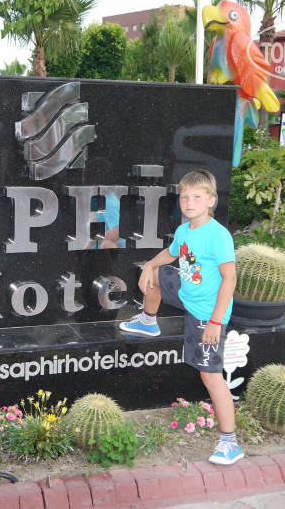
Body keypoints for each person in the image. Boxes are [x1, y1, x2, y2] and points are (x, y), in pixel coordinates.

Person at [119, 169, 242, 465]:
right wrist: (149, 265)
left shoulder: (218, 235)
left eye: (197, 197)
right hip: (187, 294)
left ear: (211, 200)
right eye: (185, 197)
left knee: (210, 376)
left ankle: (230, 443)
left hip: (206, 315)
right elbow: (171, 253)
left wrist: (215, 322)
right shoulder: (184, 230)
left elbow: (230, 279)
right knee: (157, 273)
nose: (189, 202)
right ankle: (148, 322)